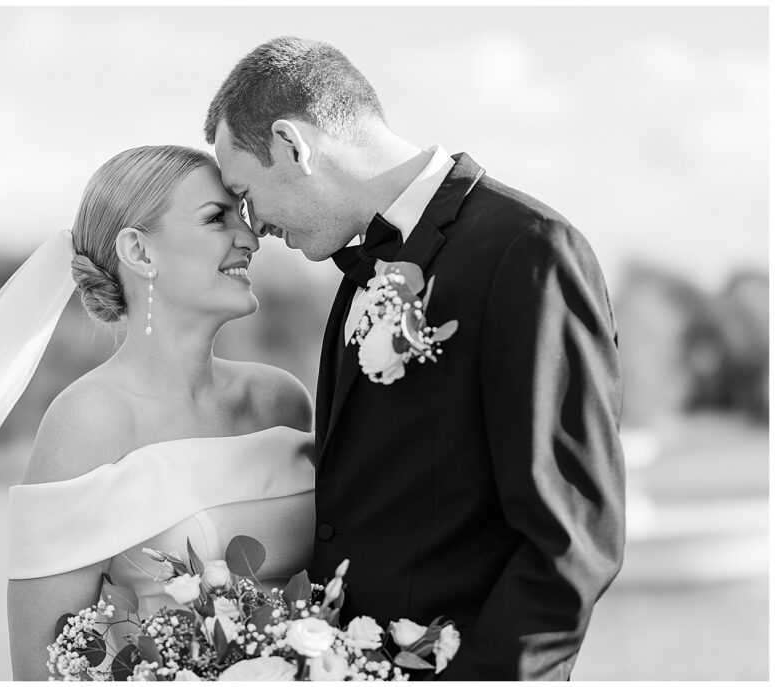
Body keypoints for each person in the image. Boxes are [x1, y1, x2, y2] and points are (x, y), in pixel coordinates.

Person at [205, 37, 625, 680]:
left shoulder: (528, 251)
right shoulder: (354, 276)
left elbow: (570, 540)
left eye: (246, 191)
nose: (252, 224)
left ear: (293, 145)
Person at [5, 145, 315, 680]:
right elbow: (43, 666)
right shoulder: (89, 420)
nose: (250, 238)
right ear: (140, 253)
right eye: (217, 218)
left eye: (242, 216)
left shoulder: (281, 400)